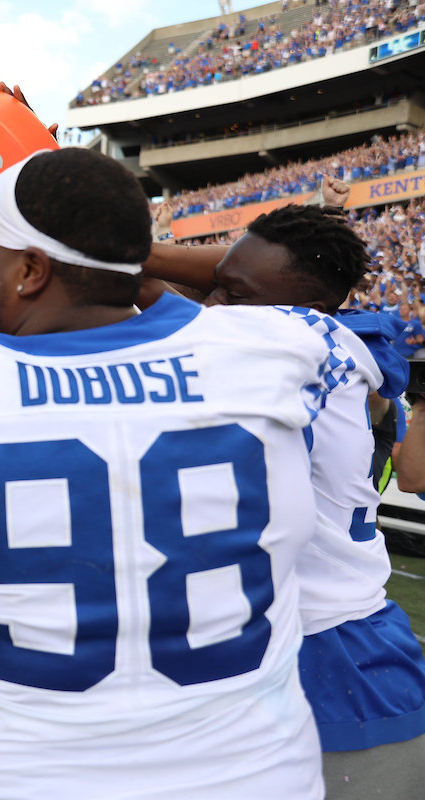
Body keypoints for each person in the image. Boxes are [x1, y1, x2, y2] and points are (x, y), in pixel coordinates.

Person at [0, 149, 332, 799]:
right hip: (262, 777)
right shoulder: (276, 351)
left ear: (29, 270)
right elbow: (194, 324)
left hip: (25, 781)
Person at [144, 203, 425, 799]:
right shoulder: (328, 337)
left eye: (233, 293)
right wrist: (230, 275)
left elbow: (131, 279)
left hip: (334, 660)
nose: (213, 302)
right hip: (317, 644)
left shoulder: (286, 339)